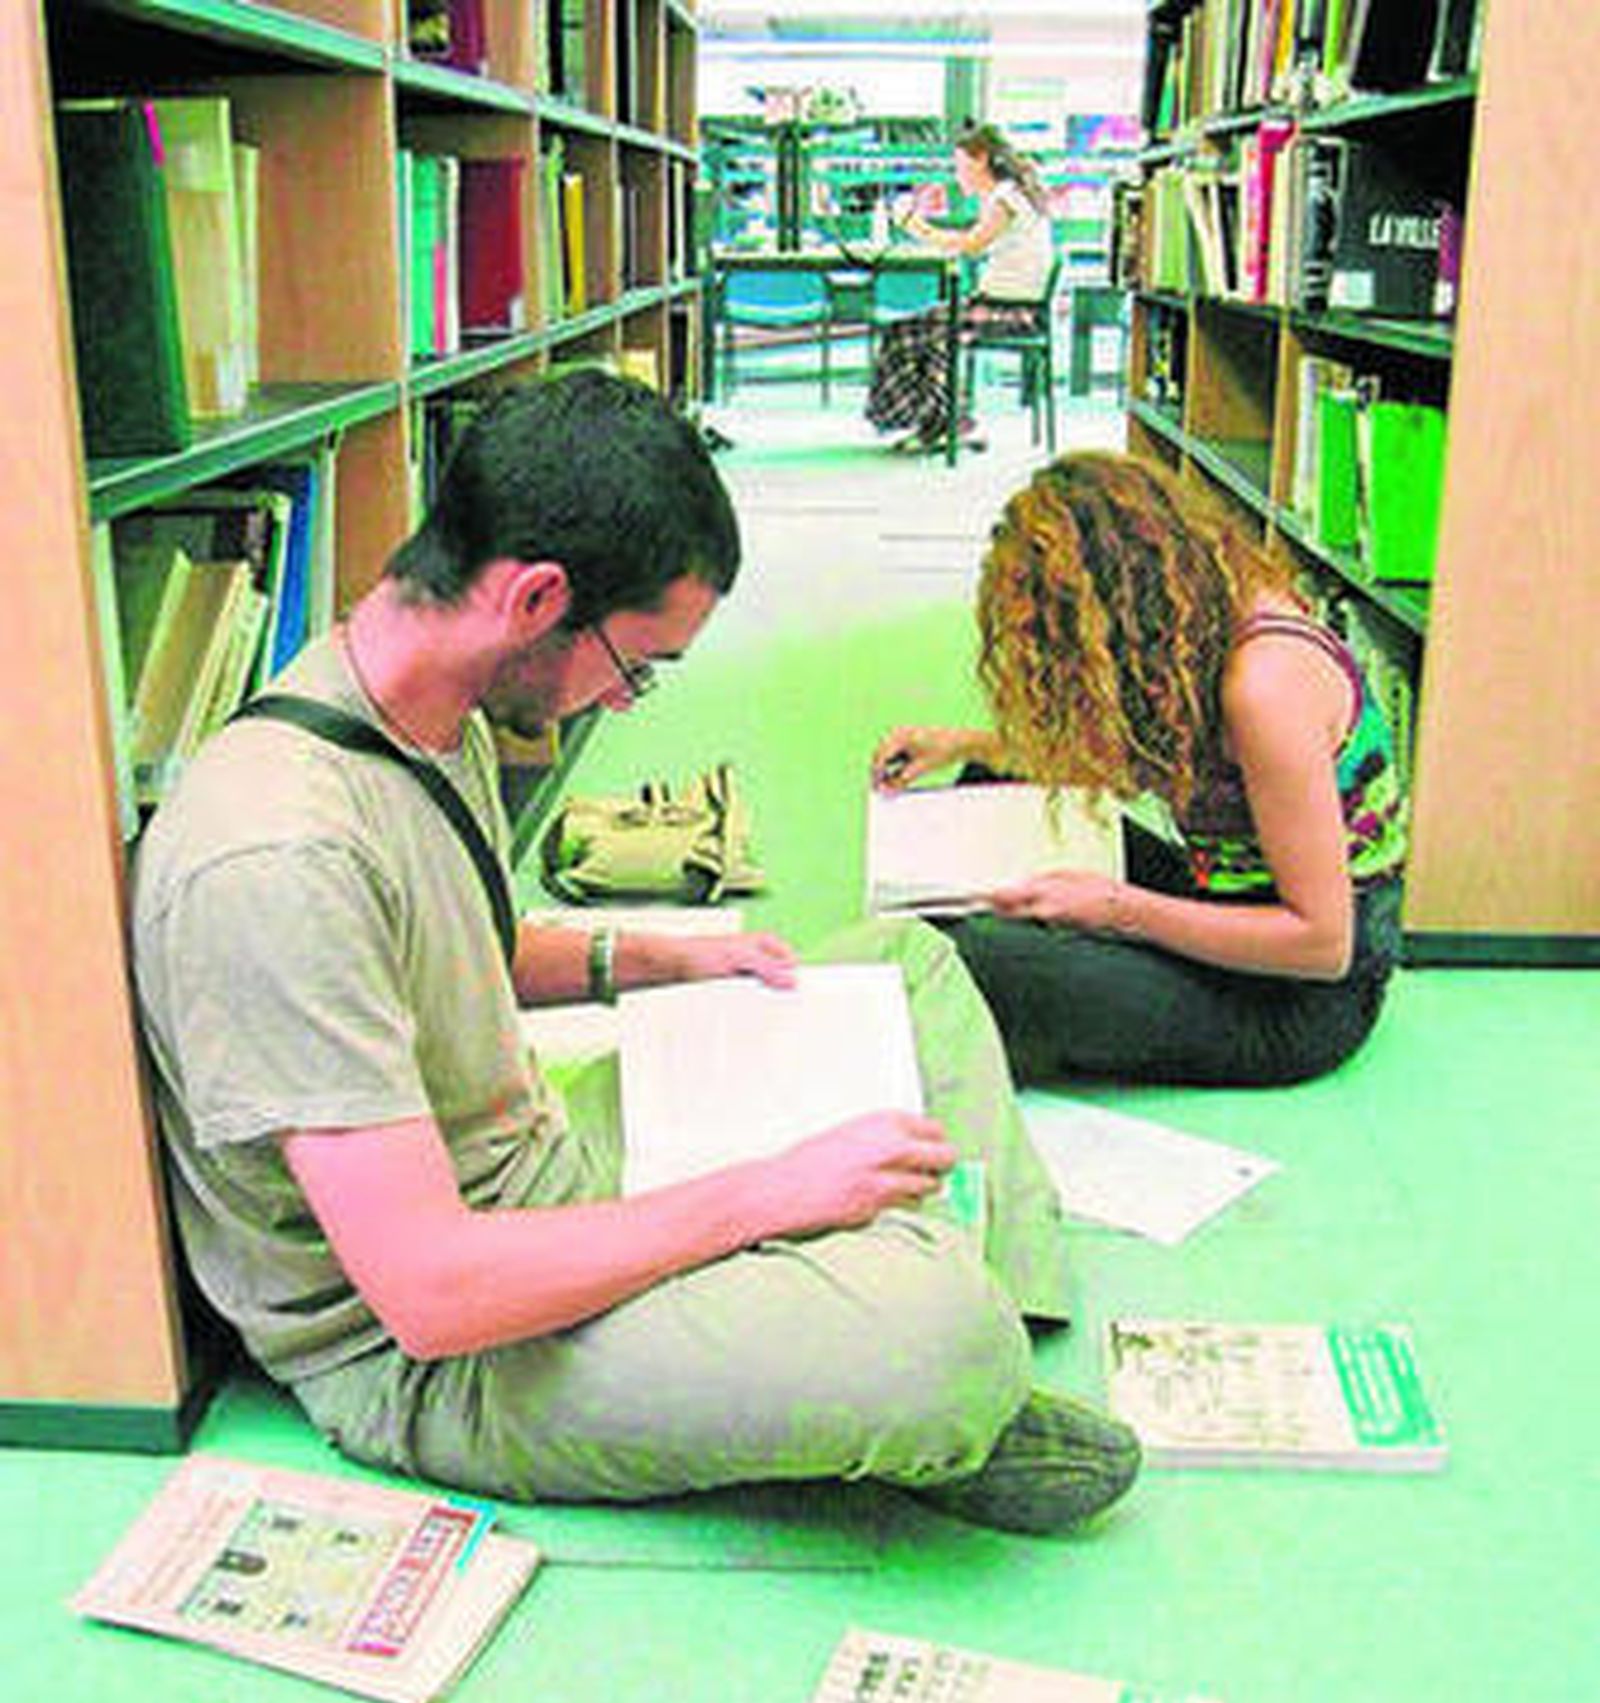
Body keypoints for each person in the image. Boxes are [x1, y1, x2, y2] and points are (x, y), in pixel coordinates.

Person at [132, 369, 1139, 1537]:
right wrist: (771, 1194)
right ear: (539, 597)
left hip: (543, 1159)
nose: (623, 702)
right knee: (937, 1340)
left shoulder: (413, 705)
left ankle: (949, 1317)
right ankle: (944, 1343)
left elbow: (461, 947)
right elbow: (430, 1290)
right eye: (637, 663)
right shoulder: (274, 857)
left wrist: (660, 960)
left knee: (906, 960)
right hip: (455, 1339)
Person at [872, 451, 1408, 1087]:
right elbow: (1131, 764)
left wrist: (1120, 909)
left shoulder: (1264, 686)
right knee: (994, 787)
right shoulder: (1201, 618)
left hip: (1296, 1001)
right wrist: (964, 745)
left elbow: (1322, 945)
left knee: (979, 957)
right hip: (1225, 893)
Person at [865, 123, 1054, 454]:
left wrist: (915, 226)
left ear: (981, 160)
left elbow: (969, 246)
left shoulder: (1006, 199)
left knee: (922, 330)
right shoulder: (1009, 196)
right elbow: (971, 242)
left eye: (960, 164)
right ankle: (939, 422)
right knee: (918, 327)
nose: (957, 174)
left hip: (1012, 311)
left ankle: (949, 423)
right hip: (1006, 305)